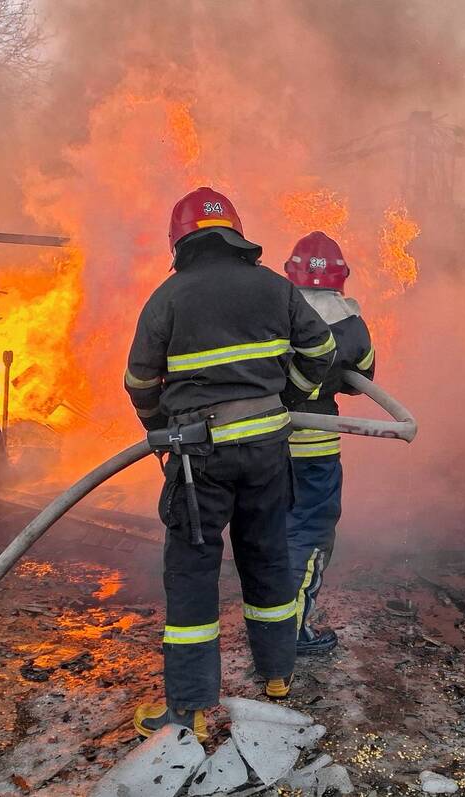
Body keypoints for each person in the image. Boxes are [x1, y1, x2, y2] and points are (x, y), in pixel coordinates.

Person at [124, 188, 336, 741]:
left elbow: (140, 380)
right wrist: (286, 398)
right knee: (267, 558)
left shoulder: (168, 297)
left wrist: (157, 432)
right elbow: (321, 352)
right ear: (236, 236)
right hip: (268, 452)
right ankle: (277, 677)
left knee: (193, 572)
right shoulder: (276, 287)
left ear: (182, 242)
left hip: (200, 459)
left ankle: (189, 707)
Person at [281, 231, 376, 655]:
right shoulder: (349, 321)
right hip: (314, 453)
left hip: (263, 447)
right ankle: (292, 630)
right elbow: (364, 379)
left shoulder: (271, 309)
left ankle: (267, 622)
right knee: (309, 535)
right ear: (341, 277)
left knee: (268, 533)